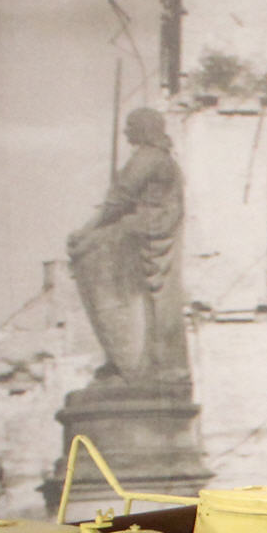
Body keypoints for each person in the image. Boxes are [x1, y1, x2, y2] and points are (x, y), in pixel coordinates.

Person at [67, 107, 189, 387]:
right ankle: (124, 359)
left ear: (144, 129)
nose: (125, 132)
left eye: (131, 126)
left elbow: (119, 199)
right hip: (145, 228)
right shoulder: (162, 159)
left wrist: (86, 231)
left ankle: (128, 363)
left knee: (88, 250)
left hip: (145, 230)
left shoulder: (148, 158)